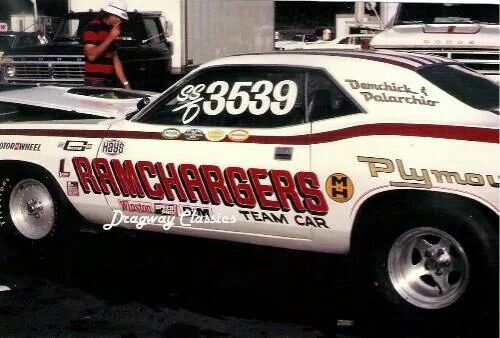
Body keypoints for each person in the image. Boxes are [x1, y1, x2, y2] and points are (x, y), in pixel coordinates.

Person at [83, 0, 131, 89]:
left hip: (109, 81)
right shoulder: (93, 27)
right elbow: (91, 56)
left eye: (121, 18)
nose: (119, 21)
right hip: (95, 82)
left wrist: (126, 84)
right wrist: (110, 37)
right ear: (110, 14)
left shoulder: (111, 30)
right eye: (117, 17)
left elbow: (115, 59)